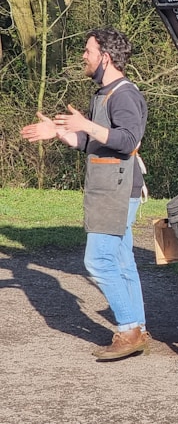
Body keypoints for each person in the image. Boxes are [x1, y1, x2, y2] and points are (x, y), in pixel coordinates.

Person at [20, 28, 150, 361]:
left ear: (105, 56)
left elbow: (128, 139)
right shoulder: (104, 93)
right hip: (111, 188)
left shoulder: (124, 94)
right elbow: (95, 142)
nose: (84, 56)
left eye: (88, 51)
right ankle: (136, 327)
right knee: (122, 261)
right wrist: (60, 132)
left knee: (97, 260)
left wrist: (86, 125)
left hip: (117, 190)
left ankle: (128, 330)